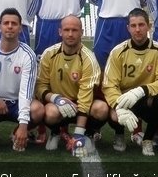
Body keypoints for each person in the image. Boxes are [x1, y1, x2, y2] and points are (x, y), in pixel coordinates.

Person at [102, 8, 158, 156]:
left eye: (141, 25)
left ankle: (147, 139)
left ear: (149, 26)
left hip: (146, 100)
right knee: (114, 114)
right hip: (124, 100)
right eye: (133, 26)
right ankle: (119, 135)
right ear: (128, 28)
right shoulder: (118, 51)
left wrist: (141, 90)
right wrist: (118, 106)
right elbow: (109, 85)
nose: (138, 29)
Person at [35, 15, 108, 156]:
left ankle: (88, 134)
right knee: (50, 112)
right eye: (66, 30)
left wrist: (78, 133)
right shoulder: (49, 54)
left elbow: (85, 97)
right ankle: (55, 133)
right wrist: (55, 98)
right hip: (59, 105)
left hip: (83, 105)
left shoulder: (89, 58)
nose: (70, 34)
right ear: (60, 32)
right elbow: (40, 86)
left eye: (74, 30)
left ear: (81, 32)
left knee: (101, 109)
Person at [0, 8, 43, 151]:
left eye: (14, 23)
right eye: (6, 23)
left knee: (38, 110)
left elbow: (26, 92)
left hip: (17, 102)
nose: (10, 26)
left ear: (20, 29)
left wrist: (23, 125)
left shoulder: (28, 55)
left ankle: (17, 133)